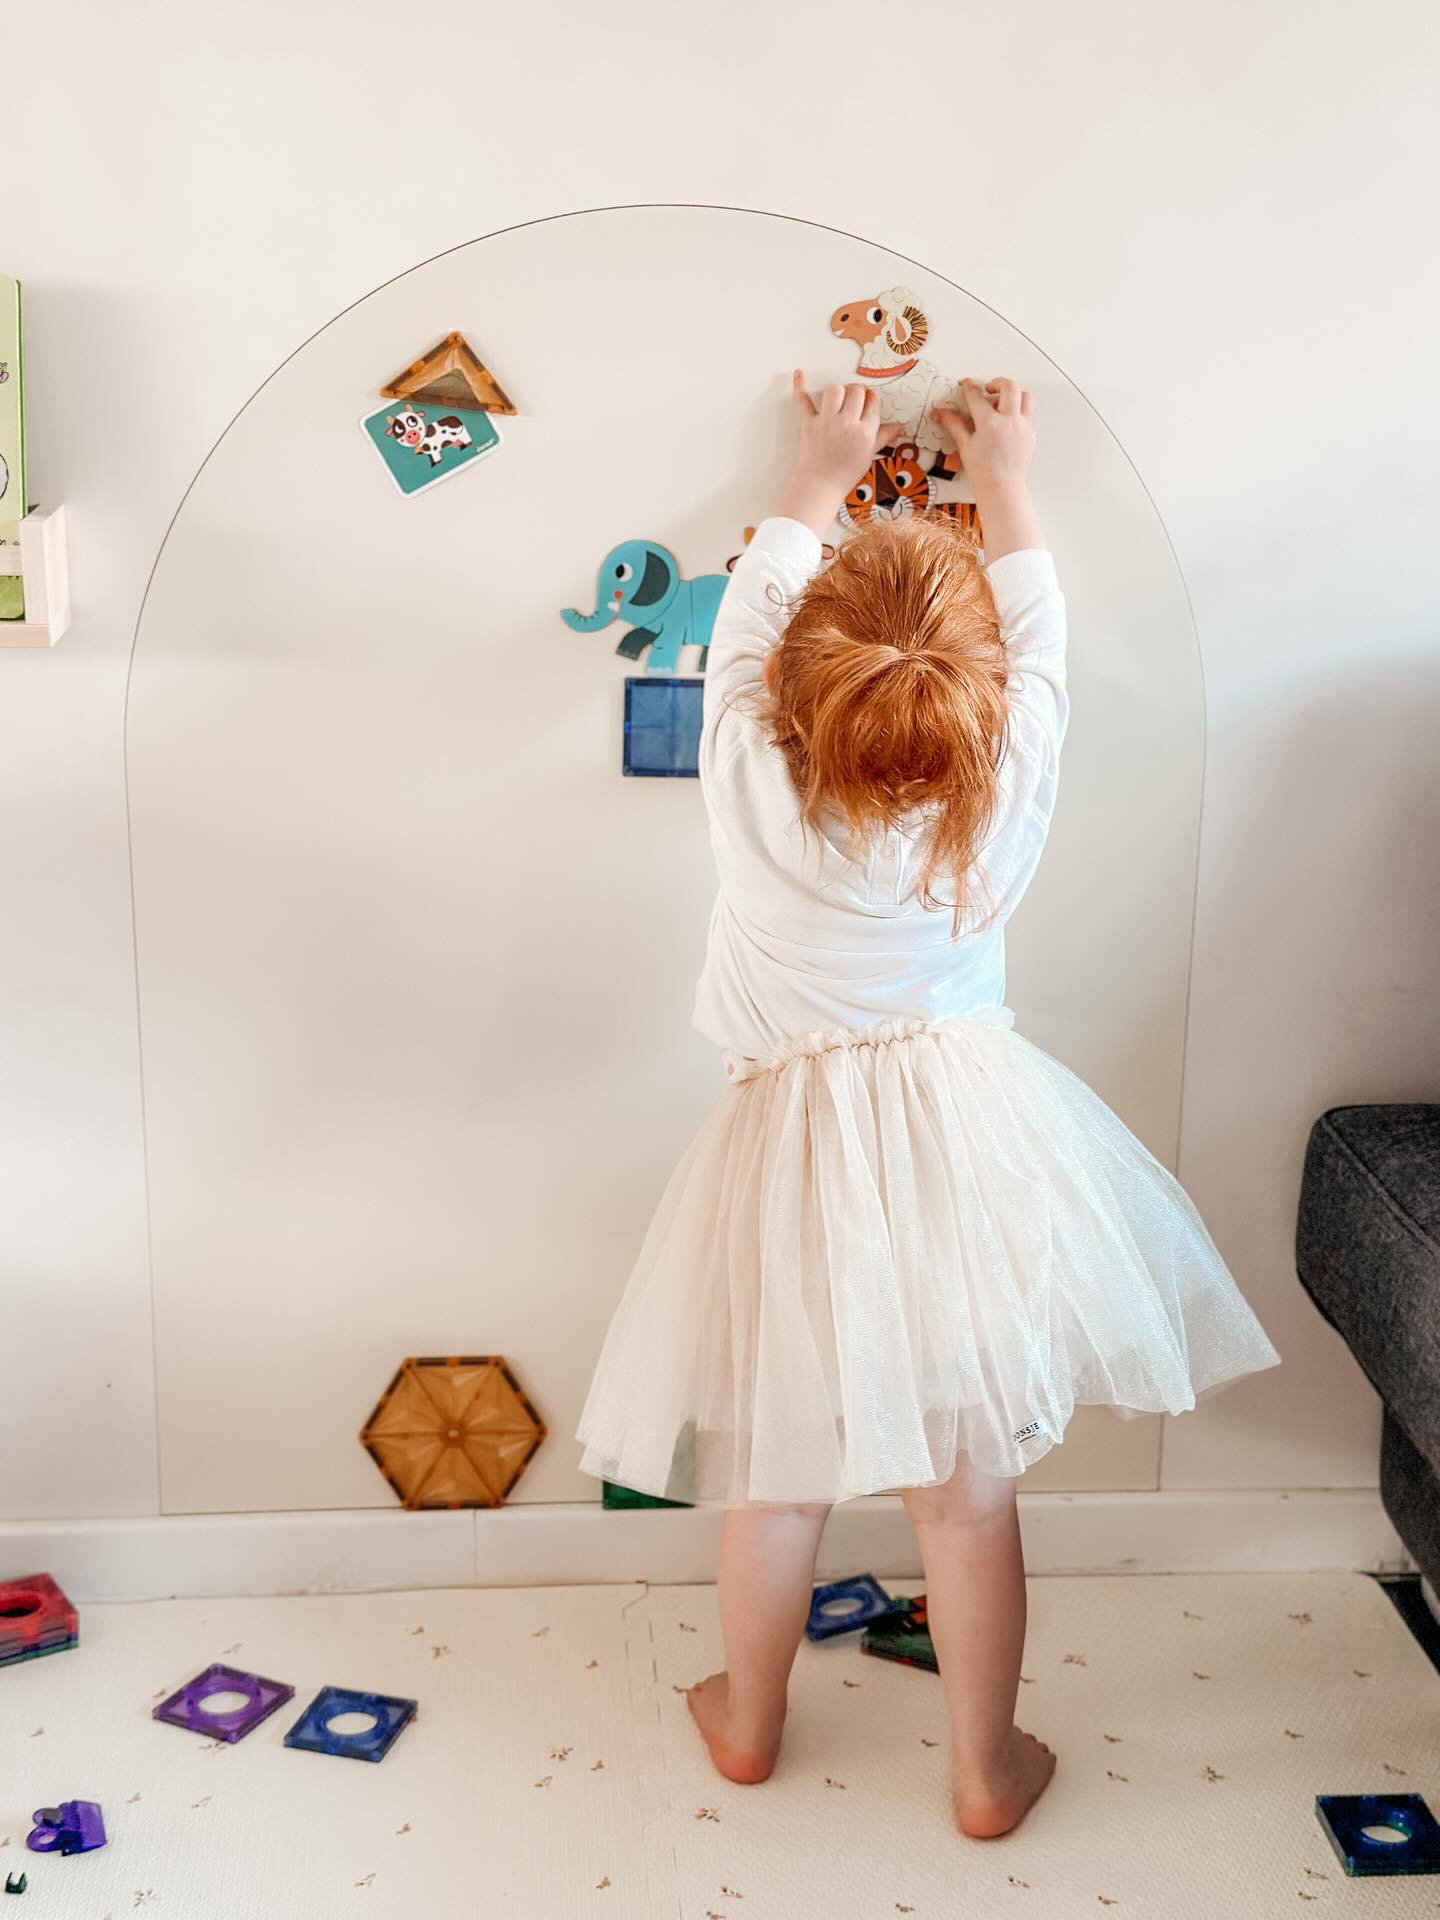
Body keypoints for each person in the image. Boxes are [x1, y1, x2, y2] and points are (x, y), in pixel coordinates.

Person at [576, 373, 1279, 1838]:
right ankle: (982, 1769)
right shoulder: (1000, 797)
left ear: (794, 692)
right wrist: (1005, 480)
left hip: (787, 1162)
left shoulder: (750, 784)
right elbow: (1046, 647)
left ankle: (748, 1723)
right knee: (966, 1496)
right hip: (965, 1148)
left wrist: (820, 471)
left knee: (779, 1483)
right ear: (979, 703)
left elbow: (747, 624)